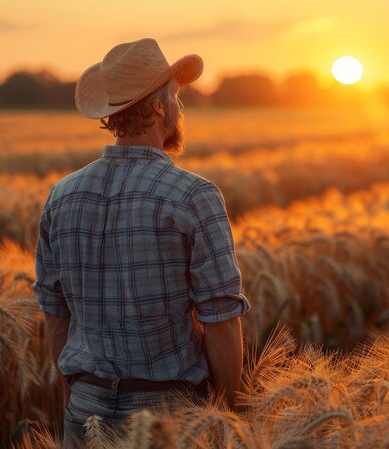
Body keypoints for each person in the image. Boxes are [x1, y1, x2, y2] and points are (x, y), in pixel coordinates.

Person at [31, 38, 250, 448]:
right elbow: (221, 322)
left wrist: (73, 398)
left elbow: (56, 315)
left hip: (85, 408)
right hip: (170, 416)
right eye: (175, 96)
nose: (181, 107)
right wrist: (225, 417)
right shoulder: (194, 196)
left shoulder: (61, 196)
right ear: (156, 107)